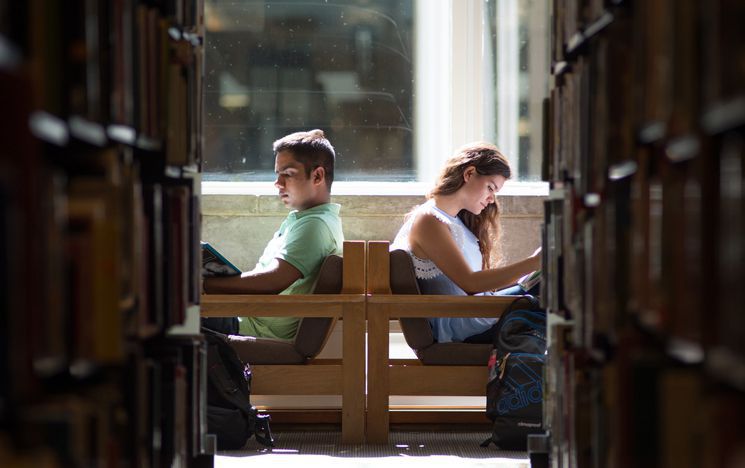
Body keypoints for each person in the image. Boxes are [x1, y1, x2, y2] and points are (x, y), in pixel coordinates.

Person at [390, 142, 541, 343]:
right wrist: (534, 262)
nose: (491, 199)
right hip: (463, 329)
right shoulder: (428, 220)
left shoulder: (456, 222)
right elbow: (471, 283)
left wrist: (533, 271)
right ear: (469, 174)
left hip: (477, 316)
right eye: (490, 188)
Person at [203, 129, 344, 340]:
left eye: (288, 174)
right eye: (277, 174)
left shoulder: (315, 225)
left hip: (255, 329)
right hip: (248, 320)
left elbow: (272, 281)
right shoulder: (306, 220)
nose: (278, 184)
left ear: (317, 176)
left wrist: (204, 285)